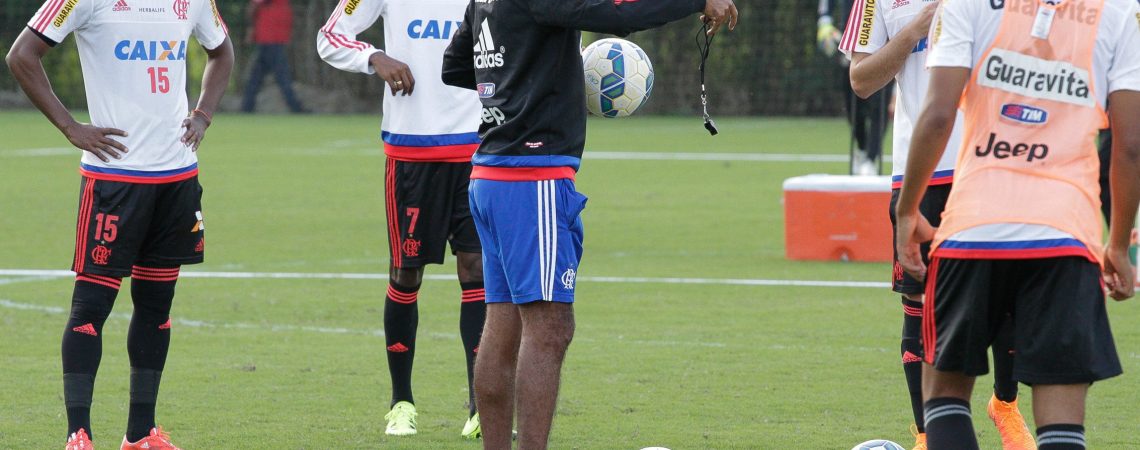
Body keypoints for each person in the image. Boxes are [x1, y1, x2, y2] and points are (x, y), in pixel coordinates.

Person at [442, 0, 738, 447]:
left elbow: (455, 67)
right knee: (550, 328)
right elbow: (616, 12)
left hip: (491, 174)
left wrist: (525, 78)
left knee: (503, 325)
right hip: (531, 176)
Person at [895, 0, 1140, 448]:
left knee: (945, 396)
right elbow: (1130, 145)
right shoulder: (1120, 10)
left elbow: (936, 115)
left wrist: (908, 209)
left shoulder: (964, 4)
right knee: (1063, 422)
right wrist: (1119, 244)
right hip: (1065, 238)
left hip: (972, 230)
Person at [5, 0, 233, 448]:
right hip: (114, 180)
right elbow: (21, 55)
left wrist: (203, 114)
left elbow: (222, 51)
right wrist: (71, 127)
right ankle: (78, 434)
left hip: (177, 178)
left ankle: (141, 433)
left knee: (156, 306)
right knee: (91, 307)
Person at [839, 1, 1033, 448]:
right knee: (918, 301)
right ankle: (928, 433)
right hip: (920, 172)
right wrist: (915, 32)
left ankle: (1005, 404)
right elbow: (861, 80)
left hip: (994, 162)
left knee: (1007, 293)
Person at [316, 0, 486, 438]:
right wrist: (374, 57)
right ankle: (401, 402)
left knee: (477, 270)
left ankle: (481, 403)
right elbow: (329, 37)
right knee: (406, 274)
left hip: (476, 149)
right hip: (411, 152)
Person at [819, 0, 892, 175]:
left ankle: (870, 159)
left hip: (885, 49)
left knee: (880, 109)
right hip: (850, 51)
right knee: (854, 110)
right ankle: (862, 148)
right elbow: (825, 12)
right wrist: (826, 26)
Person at [241, 0, 305, 113]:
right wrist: (250, 29)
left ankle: (246, 107)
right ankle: (296, 107)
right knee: (282, 75)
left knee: (256, 77)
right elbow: (253, 6)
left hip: (274, 38)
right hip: (269, 38)